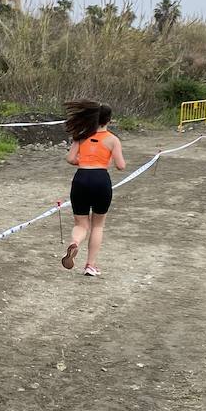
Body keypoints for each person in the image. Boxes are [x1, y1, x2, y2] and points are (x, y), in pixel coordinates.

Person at [60, 100, 126, 278]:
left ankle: (74, 243)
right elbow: (121, 166)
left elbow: (70, 158)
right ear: (108, 120)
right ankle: (90, 265)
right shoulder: (113, 140)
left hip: (81, 179)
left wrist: (84, 161)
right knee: (98, 225)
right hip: (101, 180)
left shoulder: (81, 136)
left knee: (81, 224)